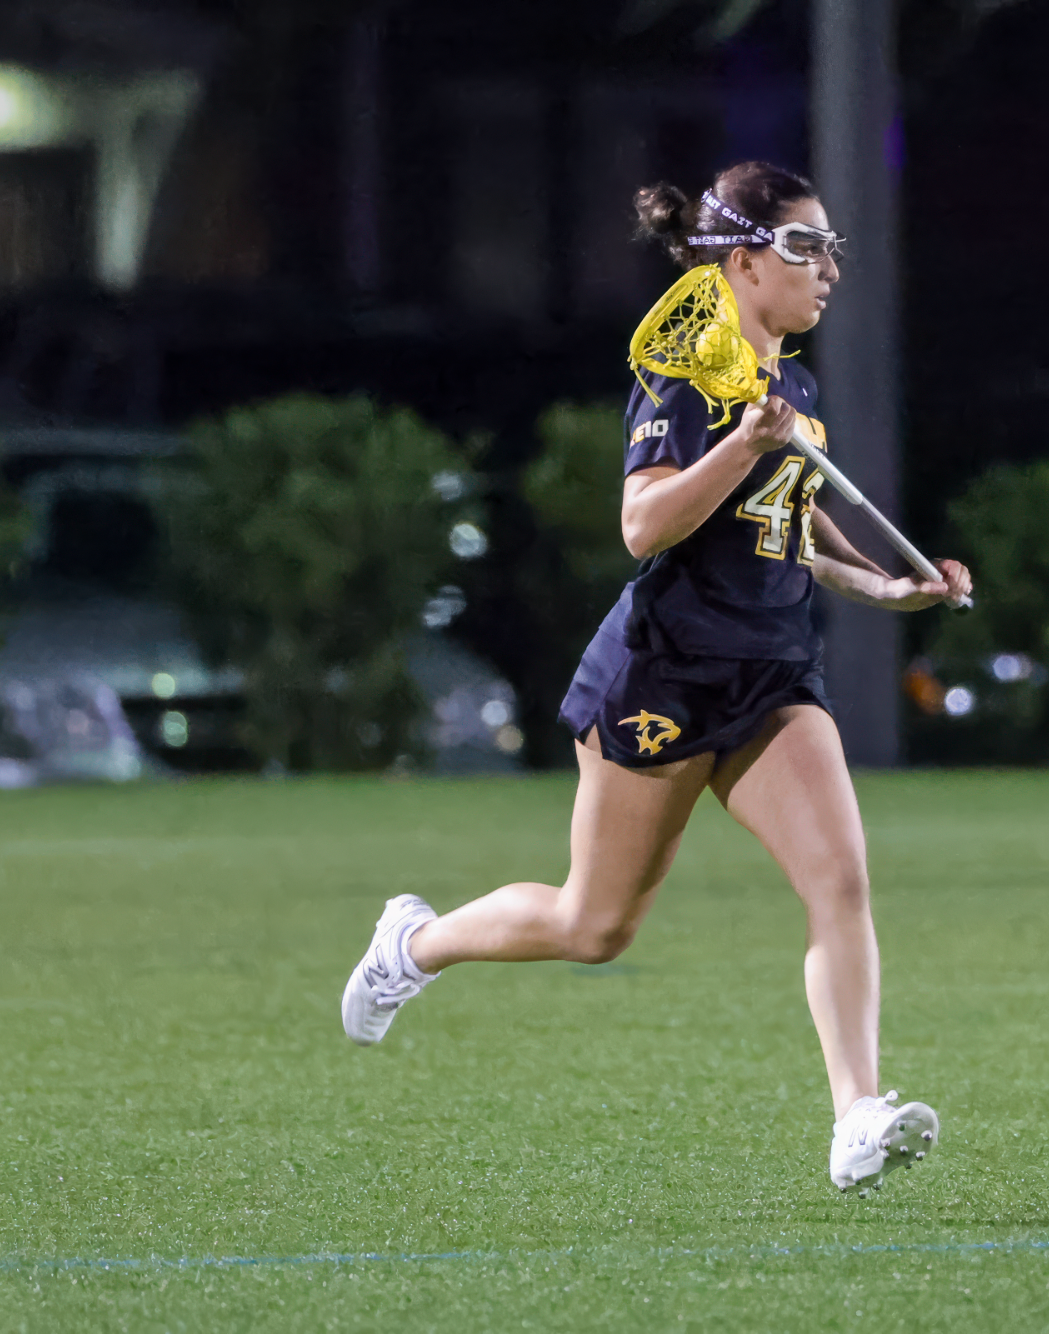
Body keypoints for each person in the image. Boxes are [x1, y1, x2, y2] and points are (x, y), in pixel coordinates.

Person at [340, 161, 974, 1194]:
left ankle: (856, 1113)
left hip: (770, 677)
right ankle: (415, 940)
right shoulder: (685, 375)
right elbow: (645, 523)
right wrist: (736, 444)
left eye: (830, 248)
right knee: (594, 924)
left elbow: (790, 535)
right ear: (741, 259)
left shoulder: (791, 386)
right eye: (802, 249)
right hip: (664, 676)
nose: (826, 270)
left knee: (839, 882)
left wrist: (888, 587)